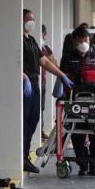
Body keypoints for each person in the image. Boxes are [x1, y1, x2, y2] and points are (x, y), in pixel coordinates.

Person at [23, 9, 73, 173]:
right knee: (23, 124)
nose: (32, 22)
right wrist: (23, 77)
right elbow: (11, 60)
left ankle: (25, 155)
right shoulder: (17, 39)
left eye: (33, 19)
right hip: (25, 86)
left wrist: (62, 75)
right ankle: (22, 158)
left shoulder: (30, 40)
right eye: (29, 18)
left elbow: (43, 61)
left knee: (33, 121)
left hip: (35, 84)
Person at [60, 26, 95, 176]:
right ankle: (83, 164)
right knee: (76, 133)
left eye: (85, 39)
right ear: (74, 40)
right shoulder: (68, 57)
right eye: (80, 40)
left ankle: (94, 164)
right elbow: (63, 78)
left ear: (89, 39)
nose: (83, 42)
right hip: (75, 101)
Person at [40, 24, 57, 140]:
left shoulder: (45, 48)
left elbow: (53, 62)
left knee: (41, 108)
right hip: (32, 82)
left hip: (42, 82)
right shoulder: (31, 44)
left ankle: (40, 131)